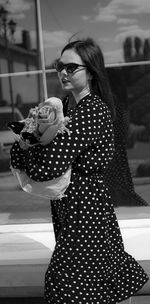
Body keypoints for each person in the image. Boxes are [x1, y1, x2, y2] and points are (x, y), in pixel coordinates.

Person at [10, 38, 149, 304]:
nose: (62, 72)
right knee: (85, 285)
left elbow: (48, 166)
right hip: (72, 205)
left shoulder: (92, 110)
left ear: (92, 71)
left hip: (85, 207)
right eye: (59, 66)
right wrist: (31, 140)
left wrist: (27, 143)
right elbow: (41, 155)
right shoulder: (65, 107)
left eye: (71, 67)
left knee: (68, 287)